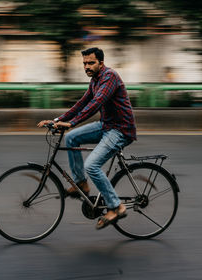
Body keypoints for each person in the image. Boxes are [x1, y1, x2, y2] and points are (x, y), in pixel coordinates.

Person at [38, 47, 136, 230]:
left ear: (101, 62)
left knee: (92, 165)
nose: (87, 67)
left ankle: (116, 206)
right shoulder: (95, 81)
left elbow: (95, 103)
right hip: (106, 125)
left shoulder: (109, 77)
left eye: (91, 63)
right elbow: (82, 103)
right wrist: (58, 120)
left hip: (120, 130)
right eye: (84, 63)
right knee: (72, 138)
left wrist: (72, 122)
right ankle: (81, 184)